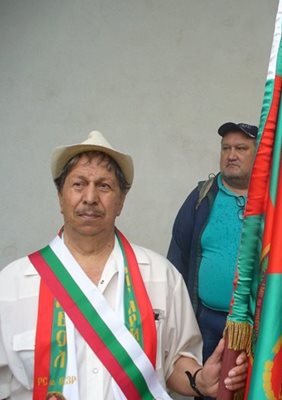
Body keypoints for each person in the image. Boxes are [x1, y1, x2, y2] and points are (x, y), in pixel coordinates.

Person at [0, 131, 247, 399]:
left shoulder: (162, 277)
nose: (91, 197)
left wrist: (200, 380)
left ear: (121, 201)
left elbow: (176, 361)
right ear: (60, 197)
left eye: (104, 186)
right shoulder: (11, 285)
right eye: (79, 184)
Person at [167, 122, 257, 364]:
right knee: (207, 388)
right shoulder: (202, 197)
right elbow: (177, 257)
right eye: (225, 148)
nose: (231, 155)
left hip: (259, 325)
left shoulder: (274, 200)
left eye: (241, 148)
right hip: (207, 323)